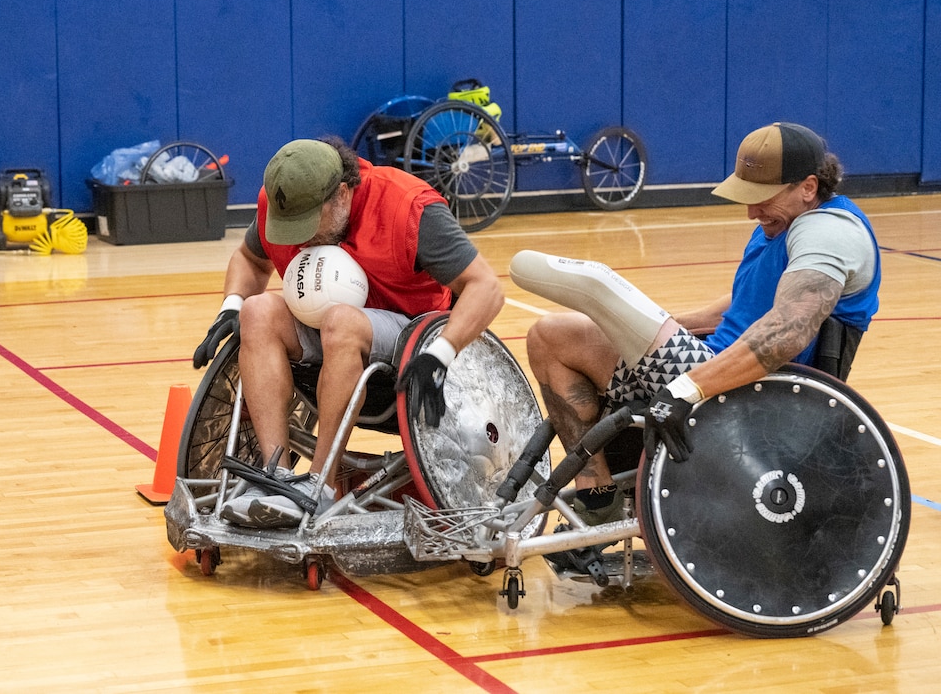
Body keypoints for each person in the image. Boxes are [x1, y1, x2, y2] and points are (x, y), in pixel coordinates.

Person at [511, 122, 881, 530]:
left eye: (761, 198)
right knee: (550, 336)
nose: (751, 211)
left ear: (808, 187)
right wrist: (666, 326)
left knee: (601, 296)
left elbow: (788, 330)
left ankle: (599, 285)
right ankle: (597, 496)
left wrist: (688, 386)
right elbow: (742, 306)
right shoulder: (783, 222)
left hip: (755, 400)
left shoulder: (829, 231)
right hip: (711, 368)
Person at [192, 136, 503, 528]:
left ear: (342, 194)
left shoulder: (406, 207)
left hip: (411, 336)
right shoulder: (284, 201)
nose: (298, 239)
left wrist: (440, 353)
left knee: (342, 321)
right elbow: (250, 259)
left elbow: (486, 288)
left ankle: (318, 486)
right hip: (329, 329)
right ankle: (277, 478)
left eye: (307, 225)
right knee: (258, 311)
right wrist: (231, 305)